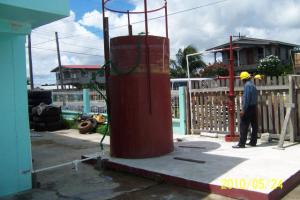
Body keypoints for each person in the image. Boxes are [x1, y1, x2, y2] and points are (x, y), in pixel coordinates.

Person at [233, 71, 258, 148]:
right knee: (254, 126)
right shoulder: (253, 85)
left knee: (243, 126)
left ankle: (241, 144)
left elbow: (246, 99)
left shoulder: (247, 86)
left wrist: (243, 110)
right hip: (254, 107)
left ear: (243, 79)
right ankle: (253, 142)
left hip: (248, 108)